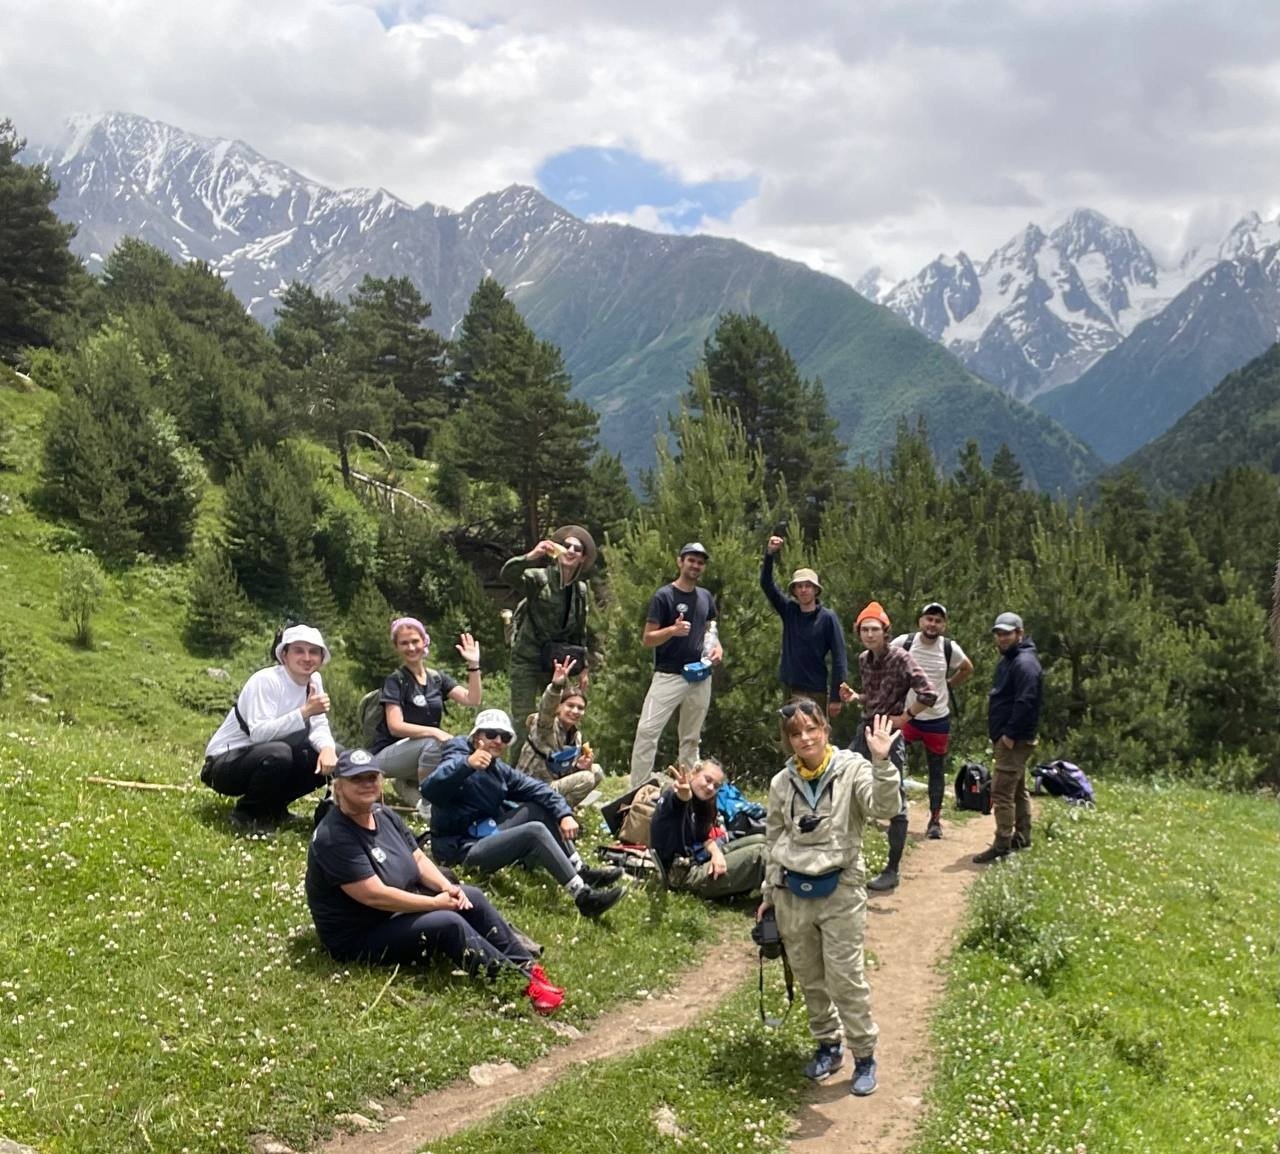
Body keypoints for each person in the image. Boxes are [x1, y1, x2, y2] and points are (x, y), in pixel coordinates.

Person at [305, 750, 565, 1014]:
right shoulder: (334, 836)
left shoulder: (383, 814)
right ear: (339, 786)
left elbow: (417, 858)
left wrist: (446, 887)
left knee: (471, 895)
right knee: (447, 923)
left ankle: (527, 967)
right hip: (361, 935)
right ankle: (519, 986)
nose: (366, 784)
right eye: (356, 779)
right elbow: (374, 895)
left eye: (371, 777)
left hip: (392, 915)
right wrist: (434, 903)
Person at [757, 702, 900, 1097]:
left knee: (845, 977)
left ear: (825, 729)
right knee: (809, 976)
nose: (805, 738)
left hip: (841, 889)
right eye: (795, 733)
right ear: (788, 740)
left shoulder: (852, 769)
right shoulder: (781, 783)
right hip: (792, 893)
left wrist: (882, 762)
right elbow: (773, 839)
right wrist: (769, 892)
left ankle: (864, 1055)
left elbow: (885, 807)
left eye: (811, 729)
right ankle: (828, 1045)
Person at [421, 709, 627, 917]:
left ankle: (579, 869)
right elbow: (430, 789)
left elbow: (539, 789)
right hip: (459, 849)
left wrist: (564, 814)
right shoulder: (457, 753)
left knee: (540, 807)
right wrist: (466, 765)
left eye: (505, 737)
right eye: (491, 734)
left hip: (484, 833)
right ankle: (583, 897)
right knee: (534, 831)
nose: (498, 741)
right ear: (476, 737)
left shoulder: (498, 769)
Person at [202, 624, 338, 834]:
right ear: (284, 655)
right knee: (279, 753)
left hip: (267, 758)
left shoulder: (314, 681)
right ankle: (247, 814)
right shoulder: (266, 680)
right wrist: (304, 712)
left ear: (321, 658)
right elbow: (259, 734)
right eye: (299, 651)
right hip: (224, 764)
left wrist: (328, 749)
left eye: (313, 652)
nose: (307, 658)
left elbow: (318, 725)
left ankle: (274, 808)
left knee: (331, 755)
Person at [838, 602, 937, 892]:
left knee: (896, 799)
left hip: (890, 734)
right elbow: (874, 696)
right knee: (841, 779)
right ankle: (840, 856)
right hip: (866, 728)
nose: (869, 634)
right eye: (864, 630)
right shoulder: (864, 659)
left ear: (885, 631)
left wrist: (905, 718)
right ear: (859, 633)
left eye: (875, 629)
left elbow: (928, 693)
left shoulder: (900, 657)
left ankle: (892, 869)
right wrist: (856, 697)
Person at [629, 542, 724, 786]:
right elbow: (647, 639)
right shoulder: (664, 596)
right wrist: (672, 630)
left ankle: (689, 789)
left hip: (700, 675)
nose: (695, 565)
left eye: (700, 562)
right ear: (680, 561)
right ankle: (637, 790)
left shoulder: (705, 597)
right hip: (669, 675)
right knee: (647, 731)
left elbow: (710, 628)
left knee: (691, 738)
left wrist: (717, 647)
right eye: (691, 560)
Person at [368, 618, 483, 810]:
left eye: (415, 641)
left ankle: (411, 791)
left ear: (424, 641)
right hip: (386, 755)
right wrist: (435, 731)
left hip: (419, 754)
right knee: (434, 743)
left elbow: (473, 699)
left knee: (458, 752)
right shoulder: (395, 681)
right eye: (404, 643)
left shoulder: (436, 678)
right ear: (396, 647)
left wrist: (473, 664)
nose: (411, 647)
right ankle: (431, 800)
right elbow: (395, 726)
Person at [501, 526, 596, 757]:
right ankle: (515, 772)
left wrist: (583, 668)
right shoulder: (538, 578)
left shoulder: (580, 591)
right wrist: (531, 556)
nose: (571, 550)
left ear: (583, 558)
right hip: (526, 659)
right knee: (523, 720)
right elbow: (508, 575)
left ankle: (547, 770)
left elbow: (579, 632)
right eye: (567, 545)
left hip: (555, 664)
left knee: (556, 719)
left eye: (577, 548)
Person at [891, 602, 974, 840]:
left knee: (936, 770)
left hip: (937, 718)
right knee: (892, 763)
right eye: (929, 619)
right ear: (920, 621)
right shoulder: (904, 642)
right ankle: (894, 811)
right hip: (907, 716)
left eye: (938, 621)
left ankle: (935, 820)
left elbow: (967, 668)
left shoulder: (949, 648)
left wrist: (948, 685)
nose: (932, 624)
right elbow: (884, 659)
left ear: (944, 625)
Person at [974, 612, 1043, 863]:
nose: (1002, 638)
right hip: (1009, 737)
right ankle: (1022, 836)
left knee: (1001, 791)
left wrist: (1010, 735)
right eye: (999, 634)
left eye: (1007, 633)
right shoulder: (1012, 659)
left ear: (1020, 634)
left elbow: (1026, 702)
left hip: (1014, 739)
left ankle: (1002, 844)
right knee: (1017, 789)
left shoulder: (1024, 663)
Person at [648, 757, 766, 899]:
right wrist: (682, 796)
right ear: (693, 774)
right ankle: (780, 898)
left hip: (698, 858)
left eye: (716, 786)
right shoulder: (673, 795)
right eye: (707, 780)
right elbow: (677, 801)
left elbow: (703, 837)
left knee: (762, 839)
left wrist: (717, 854)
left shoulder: (701, 802)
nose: (710, 788)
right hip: (681, 874)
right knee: (761, 854)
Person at [760, 535, 848, 716]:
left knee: (815, 732)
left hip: (815, 691)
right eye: (799, 586)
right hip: (790, 689)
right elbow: (767, 584)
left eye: (808, 586)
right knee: (789, 732)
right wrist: (769, 554)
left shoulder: (827, 618)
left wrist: (836, 697)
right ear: (794, 591)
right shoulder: (789, 611)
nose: (803, 590)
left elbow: (839, 658)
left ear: (816, 590)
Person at [515, 655, 604, 810]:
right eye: (570, 705)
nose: (575, 711)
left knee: (596, 771)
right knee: (587, 778)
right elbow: (546, 709)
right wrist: (556, 686)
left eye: (580, 708)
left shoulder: (575, 737)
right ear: (559, 707)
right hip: (530, 788)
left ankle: (559, 812)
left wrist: (578, 767)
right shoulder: (545, 726)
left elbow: (562, 771)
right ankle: (558, 813)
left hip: (551, 786)